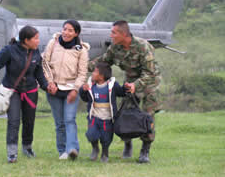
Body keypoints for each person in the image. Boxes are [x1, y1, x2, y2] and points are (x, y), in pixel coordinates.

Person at [89, 20, 161, 163]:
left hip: (148, 83)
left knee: (148, 115)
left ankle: (145, 150)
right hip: (130, 82)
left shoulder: (143, 47)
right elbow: (103, 61)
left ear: (123, 34)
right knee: (125, 114)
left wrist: (136, 85)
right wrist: (80, 67)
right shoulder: (115, 47)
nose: (111, 35)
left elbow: (150, 73)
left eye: (113, 33)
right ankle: (127, 143)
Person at [0, 26, 49, 163]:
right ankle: (12, 153)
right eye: (36, 38)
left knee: (29, 121)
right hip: (13, 91)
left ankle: (27, 147)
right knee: (14, 121)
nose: (38, 41)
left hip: (30, 91)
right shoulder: (9, 51)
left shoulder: (36, 53)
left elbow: (39, 73)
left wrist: (47, 87)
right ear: (26, 40)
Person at [42, 20, 90, 160]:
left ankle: (72, 149)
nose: (66, 33)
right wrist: (50, 83)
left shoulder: (81, 50)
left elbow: (82, 73)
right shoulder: (53, 43)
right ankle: (62, 150)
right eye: (64, 29)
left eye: (70, 30)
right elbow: (45, 63)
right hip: (54, 88)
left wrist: (76, 89)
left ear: (76, 33)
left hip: (71, 89)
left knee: (69, 119)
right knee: (59, 122)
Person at [79, 62, 125, 163]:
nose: (92, 74)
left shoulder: (112, 85)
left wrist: (126, 88)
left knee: (106, 138)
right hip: (94, 117)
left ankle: (105, 152)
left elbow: (121, 92)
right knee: (91, 134)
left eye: (95, 71)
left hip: (108, 119)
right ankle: (95, 148)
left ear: (102, 76)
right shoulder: (91, 85)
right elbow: (85, 99)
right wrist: (83, 90)